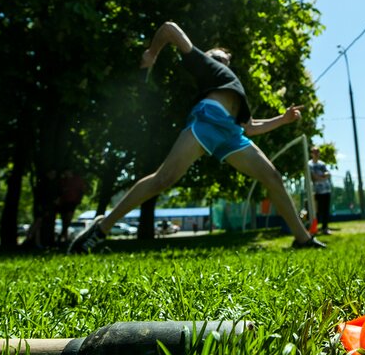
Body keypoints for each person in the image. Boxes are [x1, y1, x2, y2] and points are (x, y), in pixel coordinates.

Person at [69, 21, 326, 253]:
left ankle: (302, 239)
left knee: (272, 177)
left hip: (232, 134)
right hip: (206, 122)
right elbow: (169, 29)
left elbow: (250, 128)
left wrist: (282, 119)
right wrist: (152, 54)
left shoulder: (232, 84)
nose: (221, 57)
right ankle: (101, 228)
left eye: (224, 57)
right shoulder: (204, 63)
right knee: (163, 179)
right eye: (217, 54)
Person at [308, 145, 333, 235]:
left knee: (326, 210)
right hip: (316, 191)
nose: (316, 154)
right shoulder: (309, 164)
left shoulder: (322, 164)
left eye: (317, 152)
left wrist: (321, 177)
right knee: (317, 211)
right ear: (311, 154)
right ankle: (314, 228)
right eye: (314, 152)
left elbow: (328, 174)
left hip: (326, 190)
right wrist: (322, 177)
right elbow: (313, 177)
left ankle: (325, 228)